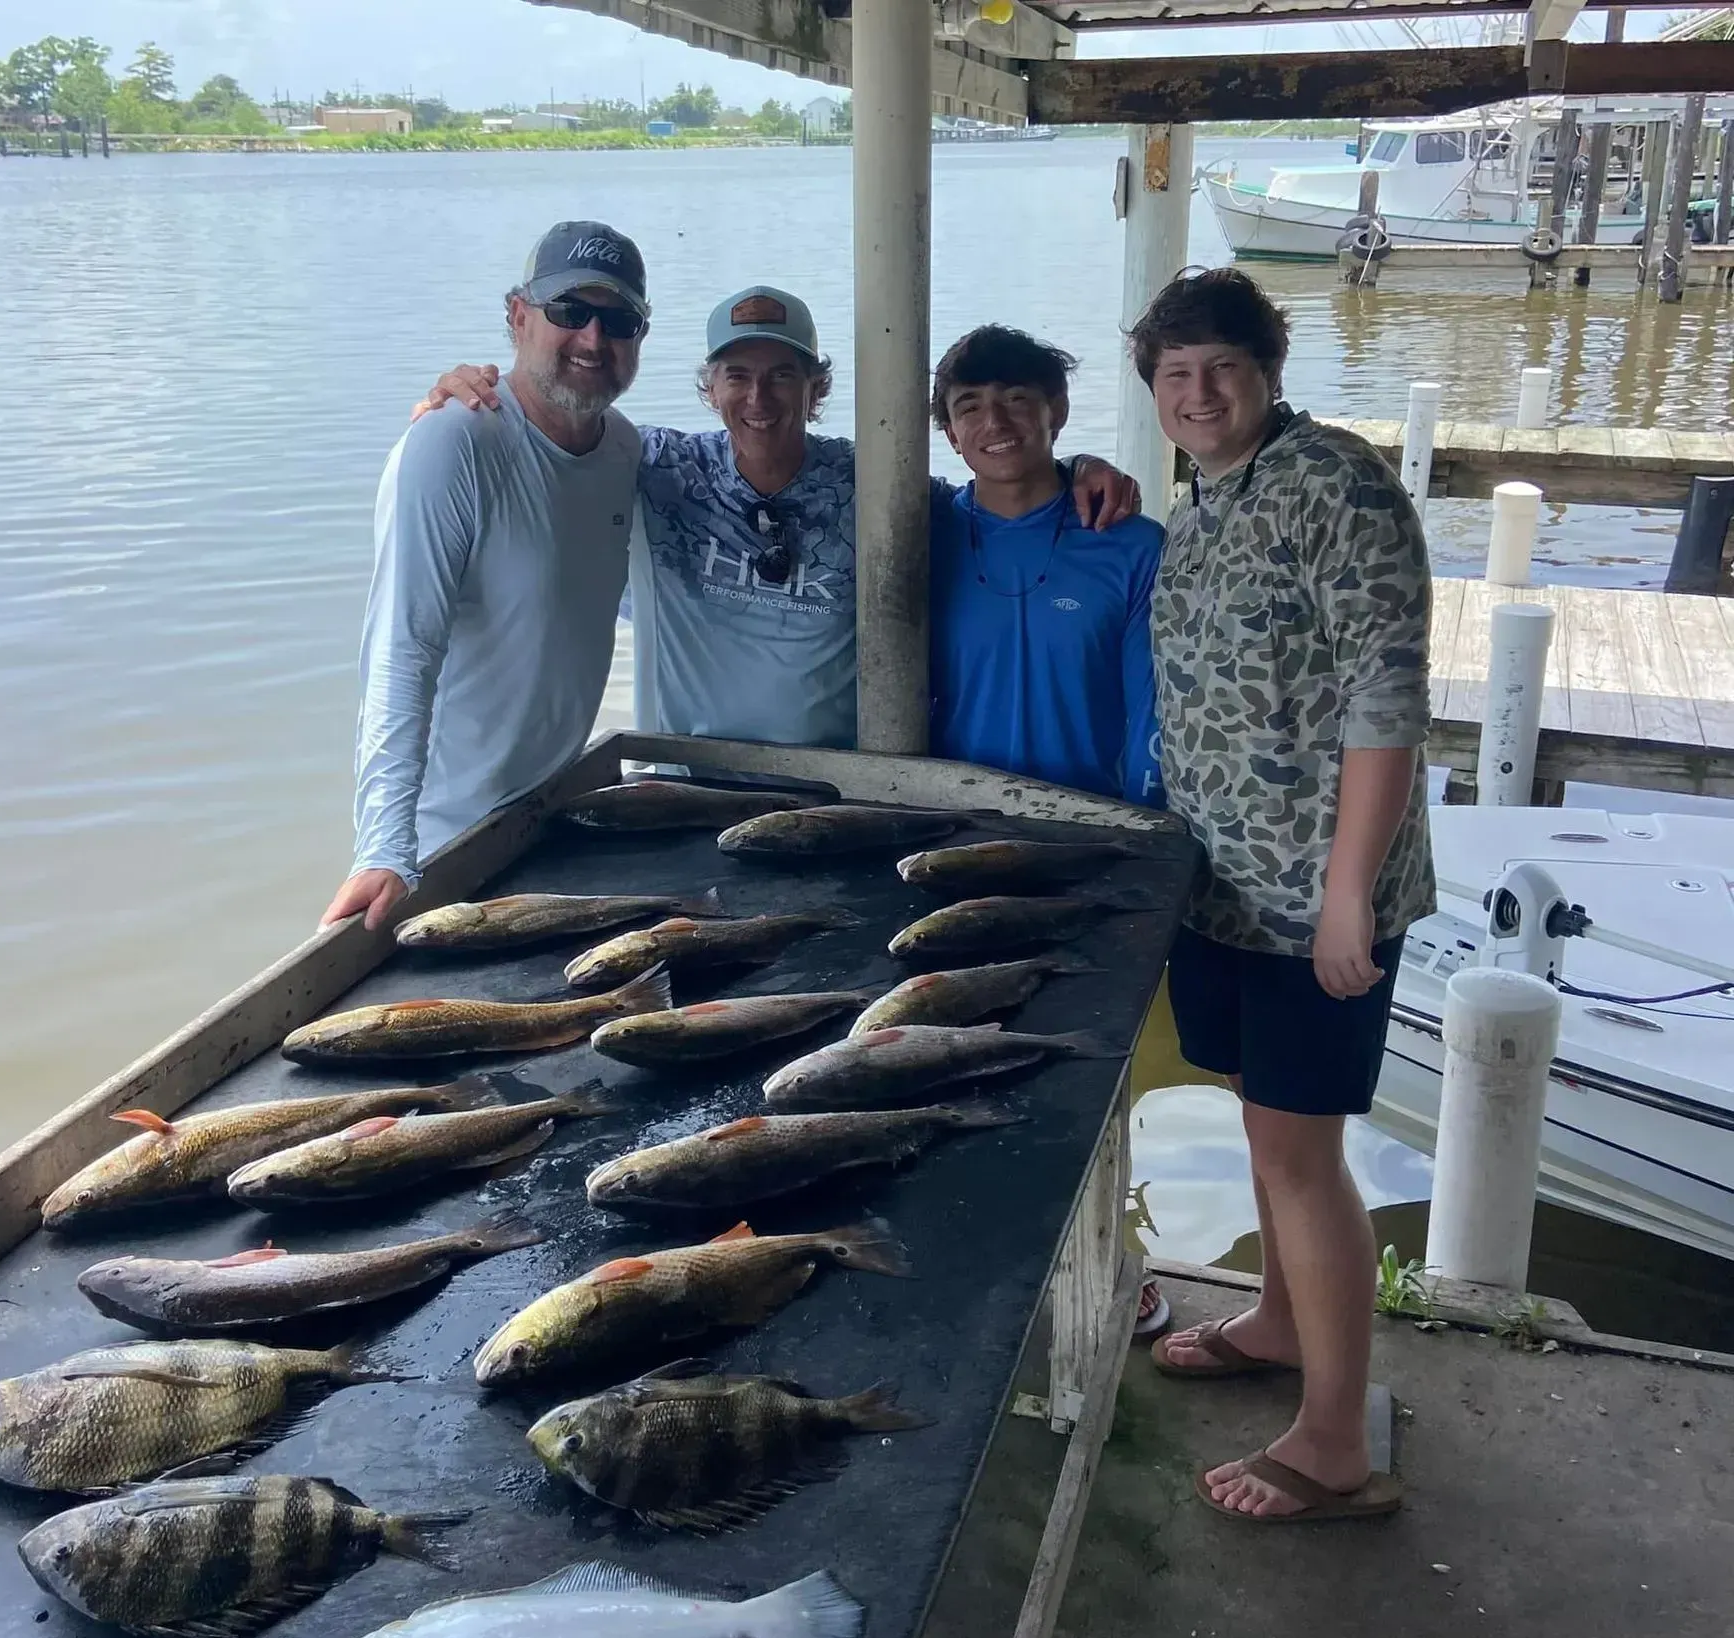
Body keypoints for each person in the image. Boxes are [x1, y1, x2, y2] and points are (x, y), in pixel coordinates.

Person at [1137, 268, 1435, 1524]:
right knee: (1265, 1126)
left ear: (1271, 366)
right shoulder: (1201, 500)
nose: (1198, 395)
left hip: (1320, 897)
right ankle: (1274, 1321)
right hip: (1224, 893)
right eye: (1174, 375)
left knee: (1304, 1157)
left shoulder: (1338, 484)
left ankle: (1330, 1443)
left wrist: (1348, 897)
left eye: (1222, 368)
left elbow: (1387, 697)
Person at [415, 288, 1138, 753]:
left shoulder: (877, 483)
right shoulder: (652, 465)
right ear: (710, 388)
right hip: (685, 782)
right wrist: (487, 396)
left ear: (816, 387)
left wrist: (1077, 471)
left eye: (782, 374)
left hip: (831, 788)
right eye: (737, 375)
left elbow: (998, 491)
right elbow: (559, 439)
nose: (759, 396)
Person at [319, 220, 648, 933]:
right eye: (570, 312)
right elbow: (400, 652)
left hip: (552, 819)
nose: (594, 339)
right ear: (517, 316)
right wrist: (384, 846)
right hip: (440, 846)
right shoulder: (452, 442)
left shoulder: (625, 448)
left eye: (618, 320)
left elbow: (602, 600)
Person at [926, 325, 1163, 806]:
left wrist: (1148, 828)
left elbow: (1153, 712)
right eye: (969, 407)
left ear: (1057, 410)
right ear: (951, 435)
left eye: (1015, 399)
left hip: (1089, 819)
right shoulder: (921, 538)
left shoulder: (1131, 545)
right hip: (946, 816)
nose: (994, 422)